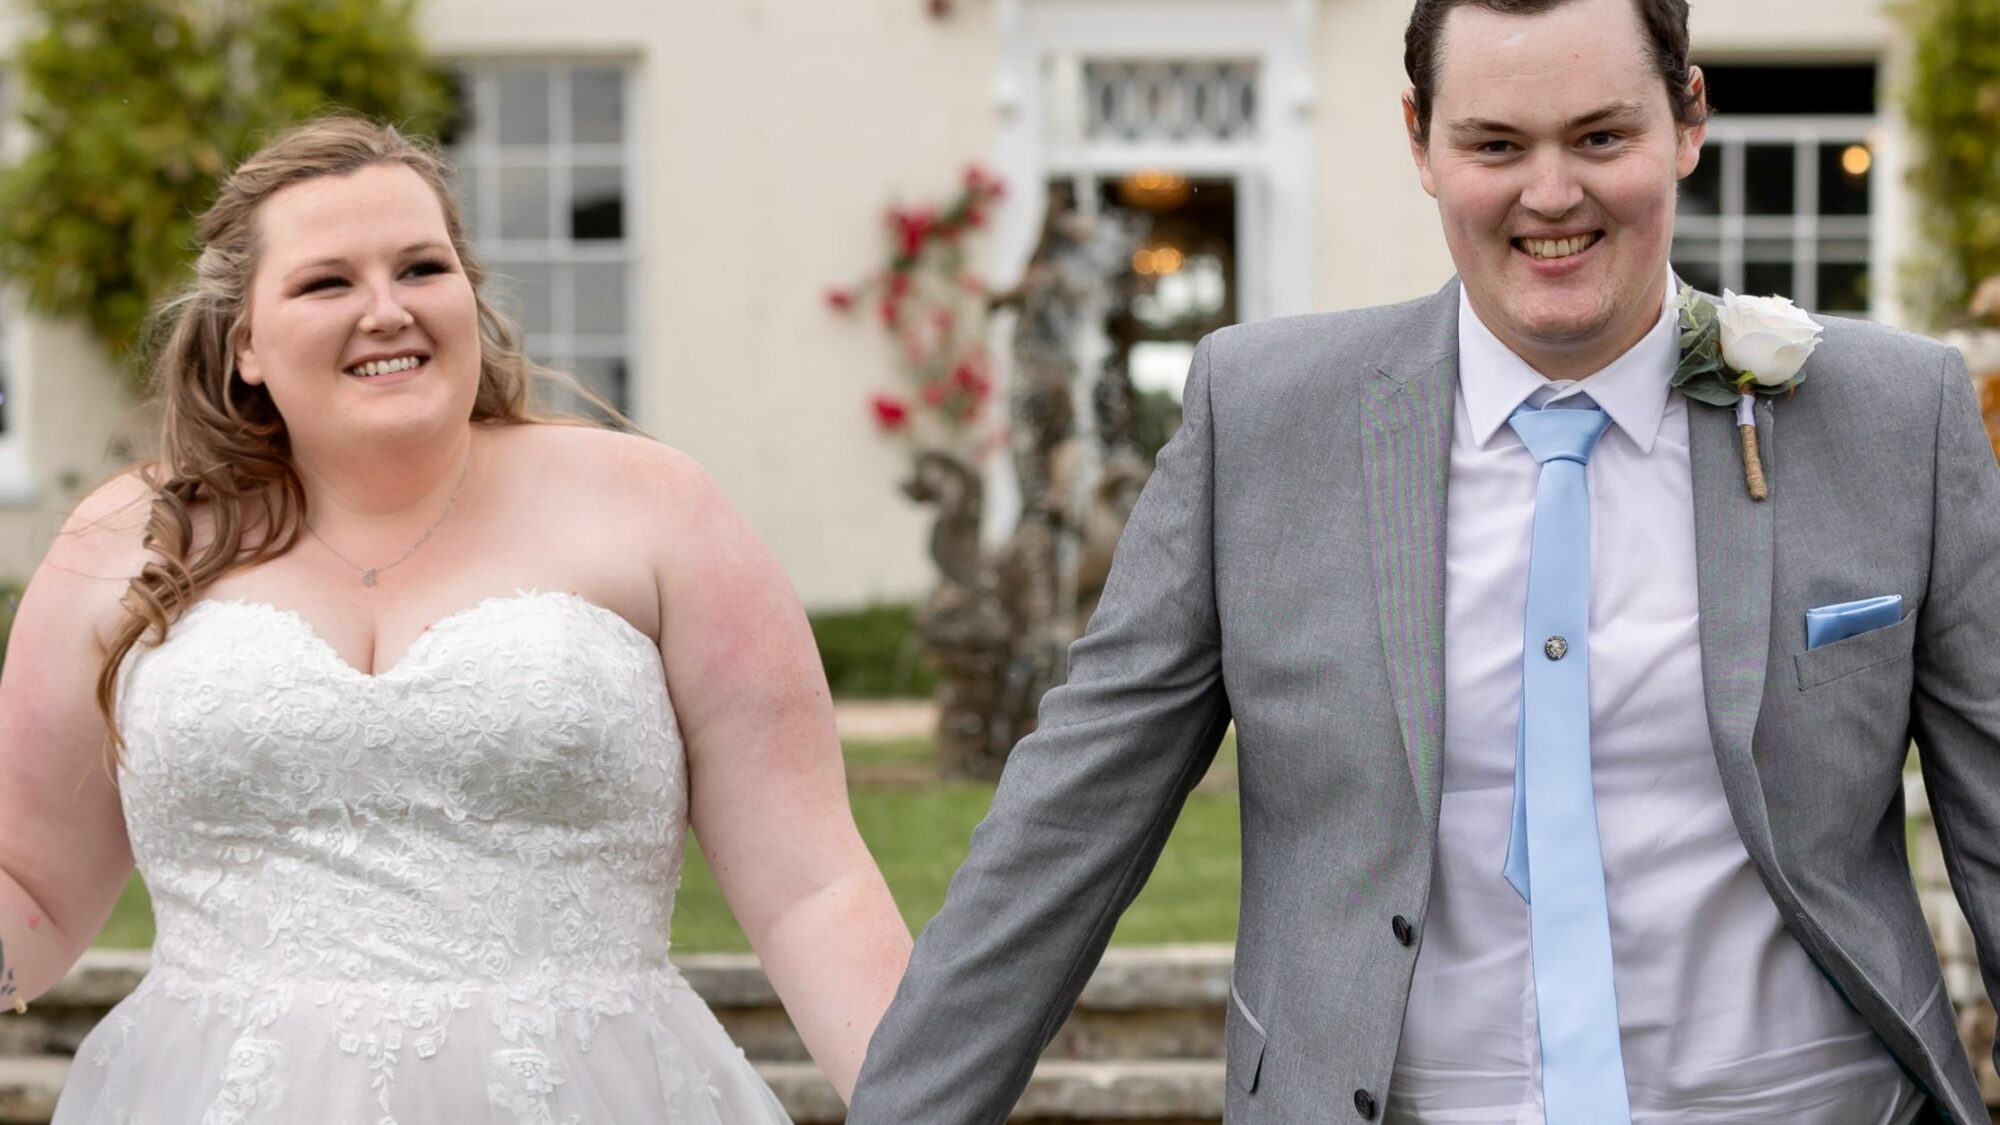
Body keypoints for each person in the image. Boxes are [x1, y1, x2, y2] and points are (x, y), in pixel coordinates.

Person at [847, 0, 2000, 1121]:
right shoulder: (1260, 424)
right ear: (1419, 140)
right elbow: (1064, 833)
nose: (1551, 195)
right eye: (1494, 145)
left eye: (1600, 136)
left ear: (1687, 119)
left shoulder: (1898, 420)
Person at [0, 116, 911, 1123]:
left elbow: (810, 890)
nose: (385, 311)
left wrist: (926, 1108)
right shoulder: (127, 541)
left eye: (422, 268)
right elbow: (29, 891)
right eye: (327, 282)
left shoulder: (654, 510)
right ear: (244, 342)